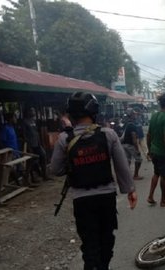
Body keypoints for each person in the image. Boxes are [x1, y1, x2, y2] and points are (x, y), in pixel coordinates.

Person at [50, 92, 137, 270]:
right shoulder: (108, 134)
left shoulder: (64, 139)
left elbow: (55, 170)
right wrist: (130, 190)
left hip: (81, 200)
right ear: (94, 111)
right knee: (106, 239)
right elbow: (122, 167)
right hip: (106, 197)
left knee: (89, 244)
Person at [21, 107, 49, 181]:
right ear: (28, 112)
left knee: (43, 155)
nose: (33, 112)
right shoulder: (25, 122)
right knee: (30, 161)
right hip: (30, 145)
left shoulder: (33, 120)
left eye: (33, 110)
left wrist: (40, 142)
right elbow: (24, 135)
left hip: (37, 144)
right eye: (31, 110)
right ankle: (29, 179)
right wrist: (28, 145)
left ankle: (44, 175)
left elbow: (36, 132)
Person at [121, 109, 144, 180]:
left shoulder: (125, 124)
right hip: (130, 145)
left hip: (124, 144)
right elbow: (134, 140)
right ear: (131, 115)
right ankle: (136, 175)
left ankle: (125, 176)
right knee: (139, 159)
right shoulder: (132, 125)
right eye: (134, 114)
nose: (135, 115)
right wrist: (137, 150)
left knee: (128, 160)